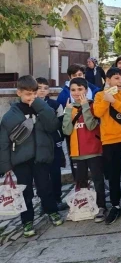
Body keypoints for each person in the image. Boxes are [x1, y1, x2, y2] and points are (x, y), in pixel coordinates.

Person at [0, 76, 64, 237]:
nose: (31, 98)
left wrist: (39, 105)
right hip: (21, 160)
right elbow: (3, 143)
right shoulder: (10, 116)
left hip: (41, 157)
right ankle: (27, 220)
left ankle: (52, 211)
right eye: (28, 94)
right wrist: (6, 166)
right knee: (25, 191)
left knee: (45, 187)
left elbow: (53, 125)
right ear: (19, 93)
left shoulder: (41, 108)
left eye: (34, 94)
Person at [62, 77, 106, 223]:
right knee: (80, 182)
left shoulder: (93, 105)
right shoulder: (70, 108)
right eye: (73, 90)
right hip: (77, 152)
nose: (76, 92)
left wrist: (85, 106)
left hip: (93, 150)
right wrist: (68, 111)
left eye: (80, 89)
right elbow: (67, 131)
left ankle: (101, 206)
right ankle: (84, 206)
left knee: (98, 180)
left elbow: (92, 125)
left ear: (86, 90)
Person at [93, 67, 121, 225]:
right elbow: (97, 112)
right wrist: (106, 98)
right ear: (108, 80)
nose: (120, 81)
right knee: (113, 174)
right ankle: (116, 205)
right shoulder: (99, 95)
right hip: (109, 140)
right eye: (116, 78)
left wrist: (114, 100)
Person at [35, 77, 68, 212]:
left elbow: (61, 123)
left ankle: (57, 198)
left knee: (55, 172)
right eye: (39, 88)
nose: (42, 91)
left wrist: (60, 138)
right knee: (41, 175)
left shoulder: (55, 105)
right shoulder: (29, 105)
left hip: (54, 143)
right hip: (38, 145)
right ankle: (44, 201)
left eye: (45, 88)